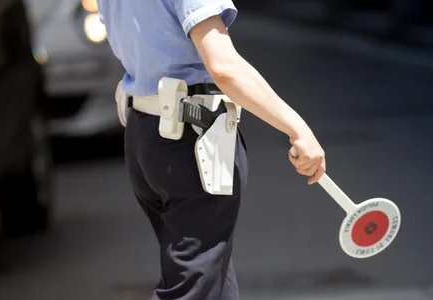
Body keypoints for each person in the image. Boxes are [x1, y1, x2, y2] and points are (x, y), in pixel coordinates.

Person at [97, 0, 326, 299]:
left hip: (146, 132)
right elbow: (224, 68)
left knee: (213, 277)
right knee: (194, 285)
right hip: (188, 140)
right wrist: (296, 127)